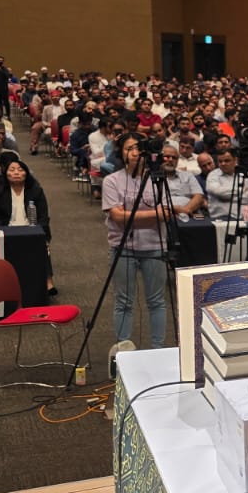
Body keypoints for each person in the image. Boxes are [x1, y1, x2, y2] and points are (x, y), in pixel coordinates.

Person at [102, 133, 168, 349]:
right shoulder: (112, 181)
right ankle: (123, 350)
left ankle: (158, 349)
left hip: (155, 245)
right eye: (129, 148)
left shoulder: (157, 179)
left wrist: (135, 216)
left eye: (138, 148)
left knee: (156, 302)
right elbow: (117, 217)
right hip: (123, 247)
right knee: (124, 302)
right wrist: (154, 215)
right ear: (121, 152)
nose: (134, 152)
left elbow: (166, 212)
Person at [0, 153, 56, 294]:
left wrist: (42, 233)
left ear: (26, 173)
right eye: (12, 170)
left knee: (41, 244)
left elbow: (43, 217)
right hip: (7, 230)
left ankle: (48, 281)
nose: (16, 173)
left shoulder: (36, 191)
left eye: (20, 170)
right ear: (5, 173)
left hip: (31, 229)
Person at [160, 144, 207, 218]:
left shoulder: (188, 175)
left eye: (174, 158)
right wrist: (175, 210)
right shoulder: (152, 178)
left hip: (190, 214)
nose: (171, 160)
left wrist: (186, 210)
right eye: (167, 157)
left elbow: (198, 196)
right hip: (164, 216)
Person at [205, 149, 248, 219]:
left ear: (235, 160)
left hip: (245, 217)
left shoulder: (244, 174)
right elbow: (220, 193)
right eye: (220, 161)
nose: (223, 164)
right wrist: (242, 189)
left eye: (227, 161)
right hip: (222, 218)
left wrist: (228, 198)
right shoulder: (213, 175)